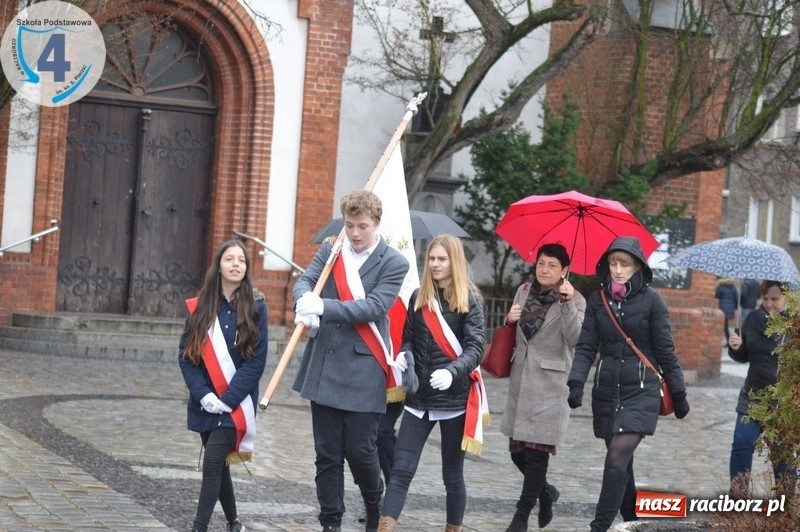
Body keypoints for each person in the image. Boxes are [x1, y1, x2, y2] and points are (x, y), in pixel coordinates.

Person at [292, 189, 410, 532]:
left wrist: (324, 307)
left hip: (364, 367)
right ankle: (330, 521)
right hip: (325, 365)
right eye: (349, 225)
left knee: (360, 453)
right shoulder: (333, 248)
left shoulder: (394, 262)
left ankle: (374, 501)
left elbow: (374, 307)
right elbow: (305, 281)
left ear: (376, 224)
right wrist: (304, 303)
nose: (355, 234)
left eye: (362, 226)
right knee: (326, 454)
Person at [566, 236, 689, 532]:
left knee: (617, 456)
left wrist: (679, 392)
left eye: (624, 264)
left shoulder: (652, 301)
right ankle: (634, 524)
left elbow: (665, 350)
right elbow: (585, 347)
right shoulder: (599, 300)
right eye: (613, 263)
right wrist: (576, 382)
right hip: (607, 391)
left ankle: (599, 527)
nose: (618, 270)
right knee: (623, 469)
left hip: (641, 391)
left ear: (637, 267)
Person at [378, 234, 486, 532]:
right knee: (401, 471)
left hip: (453, 401)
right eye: (432, 259)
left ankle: (454, 528)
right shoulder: (418, 296)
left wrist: (452, 371)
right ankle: (385, 527)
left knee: (452, 474)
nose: (435, 264)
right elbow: (410, 339)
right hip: (418, 399)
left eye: (442, 259)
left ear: (455, 262)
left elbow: (476, 348)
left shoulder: (471, 301)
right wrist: (404, 355)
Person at [178, 240, 269, 532]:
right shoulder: (200, 307)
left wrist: (228, 399)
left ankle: (199, 527)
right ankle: (235, 523)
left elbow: (256, 362)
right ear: (218, 265)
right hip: (205, 402)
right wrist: (203, 395)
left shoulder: (257, 308)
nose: (236, 264)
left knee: (213, 462)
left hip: (236, 404)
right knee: (221, 467)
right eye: (229, 259)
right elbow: (187, 357)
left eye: (241, 260)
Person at [501, 243, 586, 531]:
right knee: (517, 453)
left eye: (552, 265)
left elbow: (575, 339)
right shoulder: (524, 292)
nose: (545, 269)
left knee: (537, 456)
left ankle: (521, 517)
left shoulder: (577, 300)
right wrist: (508, 320)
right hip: (521, 382)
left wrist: (566, 304)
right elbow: (516, 333)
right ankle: (547, 493)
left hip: (550, 386)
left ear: (565, 271)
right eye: (541, 263)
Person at [728, 280, 794, 495]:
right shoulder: (754, 319)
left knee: (782, 458)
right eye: (765, 299)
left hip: (782, 405)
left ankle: (784, 509)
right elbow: (744, 356)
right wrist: (736, 348)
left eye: (774, 299)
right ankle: (736, 502)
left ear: (785, 297)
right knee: (741, 445)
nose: (769, 304)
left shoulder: (795, 324)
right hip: (752, 398)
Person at [715, 278, 739, 347]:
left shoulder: (720, 287)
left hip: (722, 308)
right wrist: (735, 308)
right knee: (725, 325)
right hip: (730, 308)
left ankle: (725, 341)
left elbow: (716, 296)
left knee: (723, 326)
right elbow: (736, 298)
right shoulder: (733, 287)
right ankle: (728, 341)